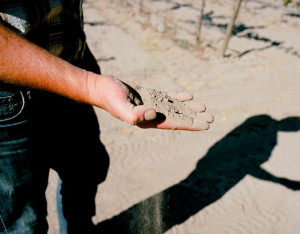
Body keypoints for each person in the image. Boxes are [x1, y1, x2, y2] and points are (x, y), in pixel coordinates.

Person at [0, 1, 213, 233]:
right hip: (9, 99)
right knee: (23, 218)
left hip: (73, 71)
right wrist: (91, 85)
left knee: (86, 171)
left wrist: (90, 73)